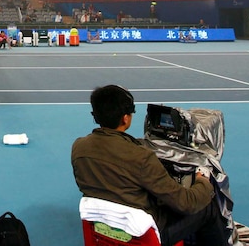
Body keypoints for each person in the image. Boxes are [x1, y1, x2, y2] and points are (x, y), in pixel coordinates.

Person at [72, 85, 229, 246]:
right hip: (145, 233)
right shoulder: (141, 157)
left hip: (102, 226)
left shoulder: (79, 147)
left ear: (95, 115)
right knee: (207, 208)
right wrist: (203, 182)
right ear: (125, 118)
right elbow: (186, 203)